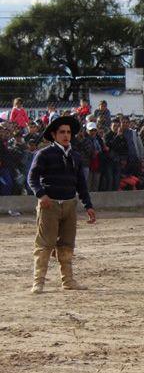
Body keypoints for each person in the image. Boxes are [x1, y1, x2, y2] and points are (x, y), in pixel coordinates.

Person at [27, 116, 97, 294]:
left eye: (68, 132)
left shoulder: (75, 156)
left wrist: (88, 205)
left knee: (67, 245)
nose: (66, 135)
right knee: (45, 244)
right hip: (49, 205)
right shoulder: (44, 154)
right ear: (54, 135)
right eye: (62, 132)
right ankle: (38, 282)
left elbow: (81, 184)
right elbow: (32, 178)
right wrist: (41, 195)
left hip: (69, 205)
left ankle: (68, 280)